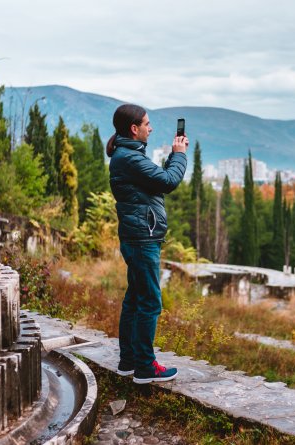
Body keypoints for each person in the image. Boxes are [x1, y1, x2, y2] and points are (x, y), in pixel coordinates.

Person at [107, 104, 188, 383]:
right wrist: (179, 156)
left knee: (134, 299)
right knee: (150, 302)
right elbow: (168, 182)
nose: (150, 128)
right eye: (147, 123)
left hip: (137, 235)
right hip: (143, 238)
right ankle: (144, 367)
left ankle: (128, 361)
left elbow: (155, 182)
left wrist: (171, 158)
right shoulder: (129, 158)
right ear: (134, 128)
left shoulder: (128, 155)